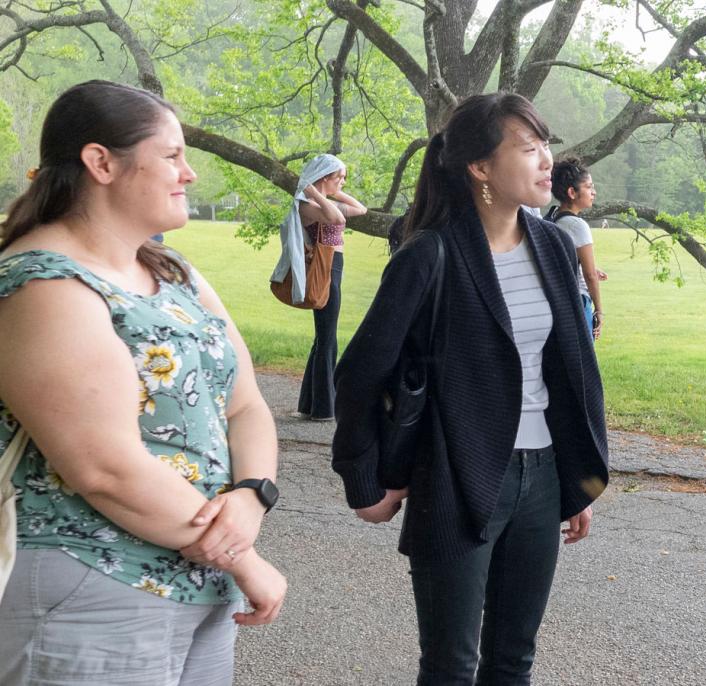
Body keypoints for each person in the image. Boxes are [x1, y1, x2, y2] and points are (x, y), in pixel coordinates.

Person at [0, 80, 286, 684]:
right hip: (90, 587)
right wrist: (243, 557)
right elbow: (103, 467)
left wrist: (253, 494)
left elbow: (247, 407)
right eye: (172, 155)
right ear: (100, 162)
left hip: (201, 587)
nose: (190, 173)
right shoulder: (43, 285)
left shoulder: (172, 269)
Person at [331, 92, 609, 684]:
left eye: (547, 148)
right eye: (528, 148)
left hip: (542, 475)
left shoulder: (554, 246)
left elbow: (574, 370)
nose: (546, 163)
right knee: (452, 667)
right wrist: (363, 479)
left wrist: (579, 481)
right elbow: (359, 371)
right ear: (480, 168)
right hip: (455, 476)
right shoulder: (429, 255)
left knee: (513, 660)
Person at [273, 154, 367, 421]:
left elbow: (360, 210)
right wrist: (316, 190)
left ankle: (311, 404)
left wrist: (333, 189)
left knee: (323, 337)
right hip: (324, 270)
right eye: (340, 176)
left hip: (333, 268)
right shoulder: (308, 206)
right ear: (325, 176)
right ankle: (324, 408)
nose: (343, 181)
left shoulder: (320, 203)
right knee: (327, 339)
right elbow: (337, 218)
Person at [545, 157, 606, 339]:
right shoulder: (577, 225)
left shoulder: (552, 218)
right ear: (572, 192)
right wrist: (599, 311)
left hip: (558, 303)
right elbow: (589, 276)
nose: (593, 192)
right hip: (578, 302)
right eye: (588, 187)